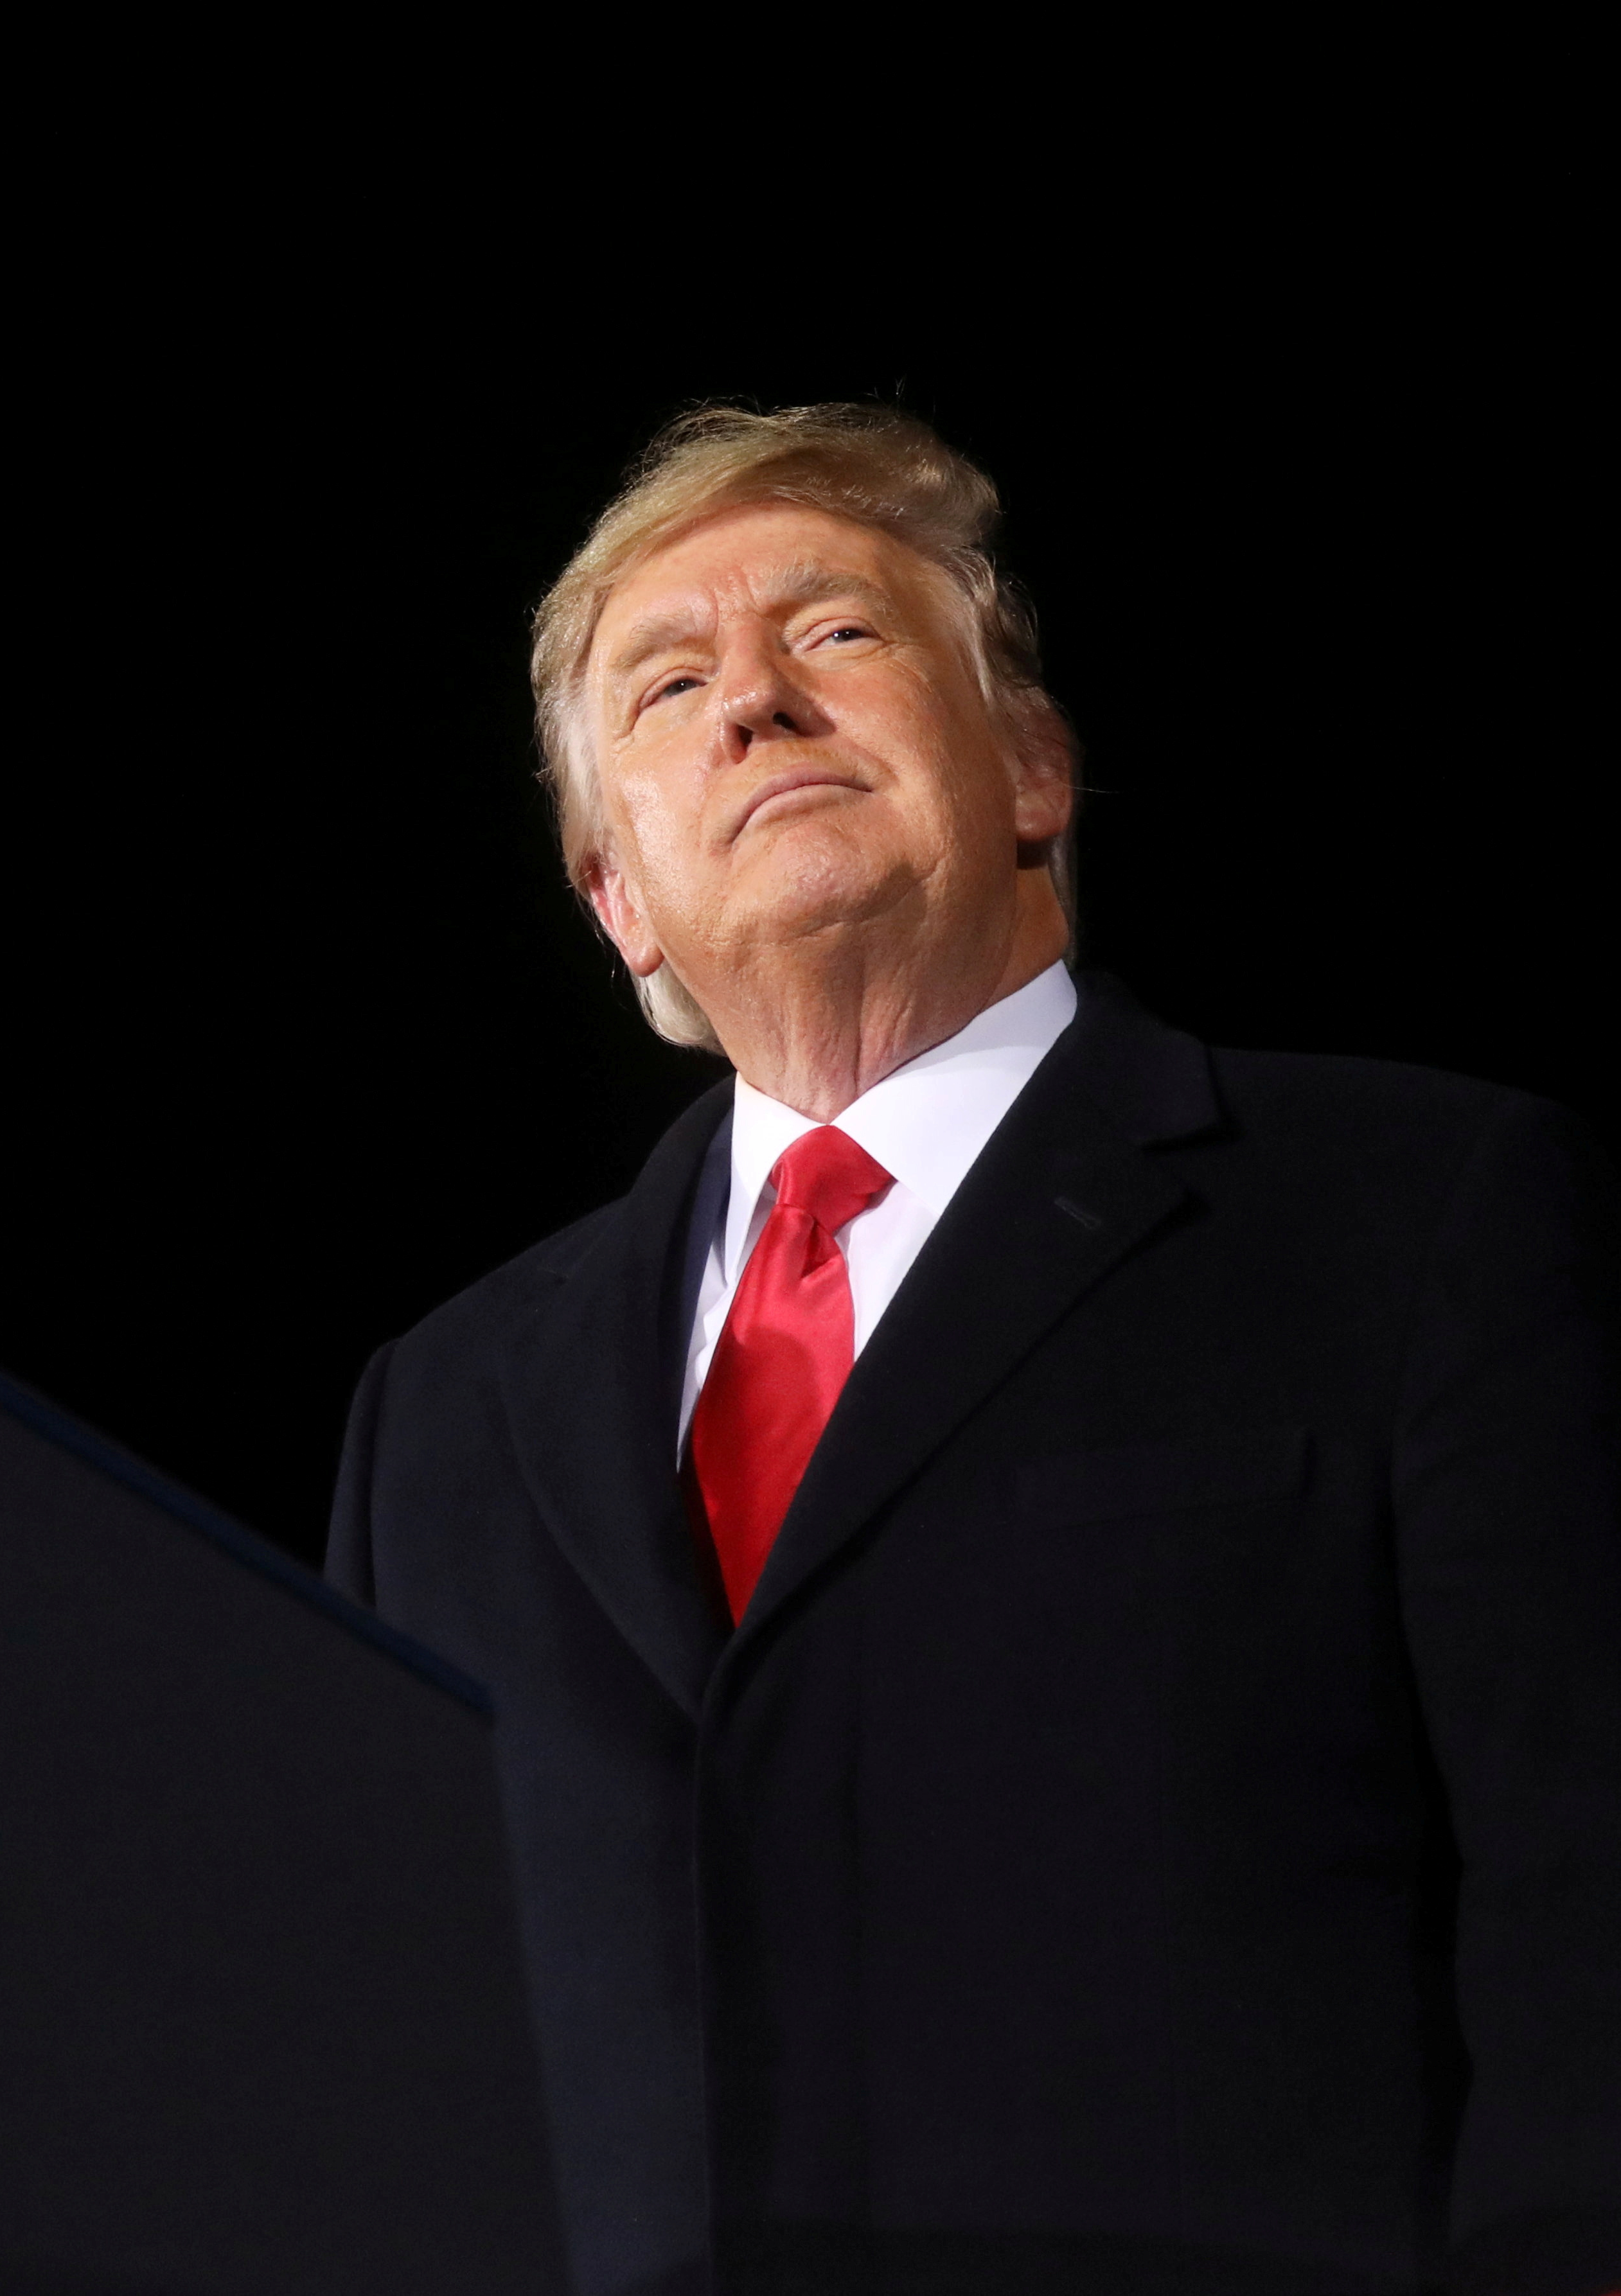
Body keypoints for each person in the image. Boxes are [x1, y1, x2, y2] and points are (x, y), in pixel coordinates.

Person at [326, 404, 1619, 2295]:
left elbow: (1586, 1885)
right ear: (619, 904)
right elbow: (369, 2054)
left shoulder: (1419, 1212)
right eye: (666, 684)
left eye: (834, 632)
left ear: (1031, 768)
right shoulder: (434, 1415)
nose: (752, 702)